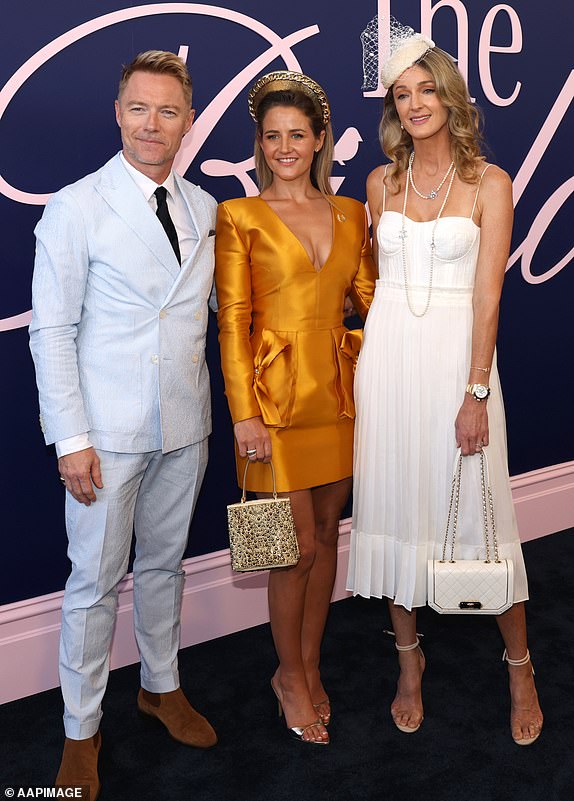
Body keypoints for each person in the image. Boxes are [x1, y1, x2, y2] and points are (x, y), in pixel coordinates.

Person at [347, 20, 543, 745]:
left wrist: (477, 390)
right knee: (396, 504)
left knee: (482, 515)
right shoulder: (379, 182)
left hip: (458, 368)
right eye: (403, 94)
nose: (416, 103)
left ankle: (520, 665)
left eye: (428, 89)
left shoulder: (490, 183)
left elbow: (489, 296)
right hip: (390, 364)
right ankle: (409, 660)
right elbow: (376, 287)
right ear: (393, 108)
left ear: (451, 97)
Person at [29, 50, 218, 799]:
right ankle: (81, 730)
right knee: (94, 583)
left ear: (188, 122)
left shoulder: (205, 209)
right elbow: (52, 331)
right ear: (118, 112)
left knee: (165, 565)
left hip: (185, 424)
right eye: (140, 108)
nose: (152, 123)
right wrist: (71, 439)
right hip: (104, 435)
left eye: (168, 111)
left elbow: (221, 317)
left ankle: (160, 686)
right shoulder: (77, 207)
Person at [215, 71, 376, 745]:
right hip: (271, 410)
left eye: (297, 135)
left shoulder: (350, 214)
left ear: (319, 142)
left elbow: (374, 303)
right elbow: (231, 321)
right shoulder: (239, 215)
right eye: (272, 136)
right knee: (292, 549)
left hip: (340, 401)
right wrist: (242, 413)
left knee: (328, 538)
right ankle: (289, 674)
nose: (285, 147)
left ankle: (307, 667)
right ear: (260, 143)